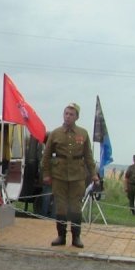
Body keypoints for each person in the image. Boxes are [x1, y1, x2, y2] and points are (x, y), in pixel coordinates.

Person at [41, 103, 98, 248]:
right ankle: (61, 236)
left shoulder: (83, 133)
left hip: (77, 176)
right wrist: (46, 174)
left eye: (71, 114)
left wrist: (94, 174)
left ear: (77, 117)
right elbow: (46, 156)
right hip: (59, 175)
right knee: (60, 207)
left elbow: (88, 156)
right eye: (66, 113)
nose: (68, 116)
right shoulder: (55, 133)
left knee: (75, 208)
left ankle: (76, 237)